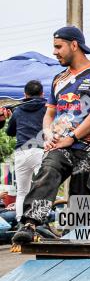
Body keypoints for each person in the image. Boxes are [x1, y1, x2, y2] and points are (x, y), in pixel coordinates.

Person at [12, 26, 90, 245]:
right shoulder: (58, 79)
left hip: (89, 148)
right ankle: (29, 225)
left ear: (74, 45)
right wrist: (47, 133)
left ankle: (76, 241)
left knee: (80, 202)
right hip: (60, 146)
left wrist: (74, 137)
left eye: (59, 47)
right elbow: (49, 112)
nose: (55, 52)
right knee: (47, 172)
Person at [0, 80, 47, 219]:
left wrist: (10, 118)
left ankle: (20, 221)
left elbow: (10, 132)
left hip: (22, 151)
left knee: (22, 191)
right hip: (40, 151)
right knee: (43, 189)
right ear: (42, 93)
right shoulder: (47, 108)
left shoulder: (18, 109)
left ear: (24, 94)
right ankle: (40, 221)